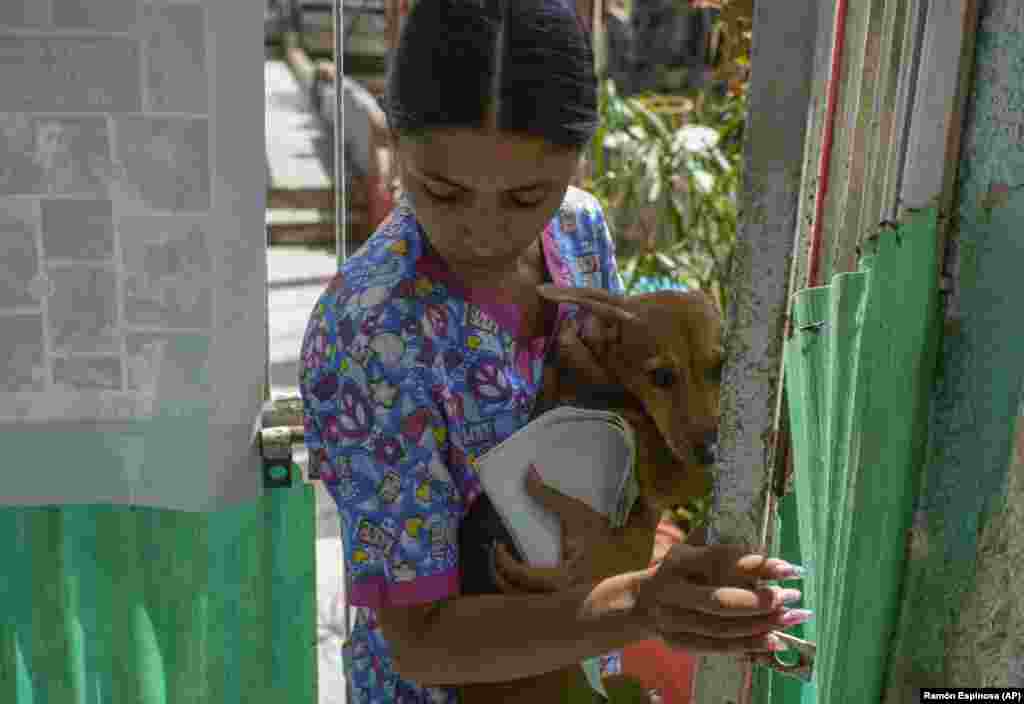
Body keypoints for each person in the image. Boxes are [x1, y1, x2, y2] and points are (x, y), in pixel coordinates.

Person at [298, 1, 806, 702]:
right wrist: (637, 602)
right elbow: (420, 642)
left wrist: (625, 556)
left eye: (525, 195)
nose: (481, 231)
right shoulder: (370, 336)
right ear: (395, 140)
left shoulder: (577, 233)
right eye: (440, 189)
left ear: (577, 159)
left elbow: (623, 436)